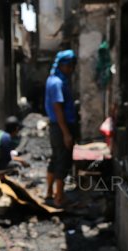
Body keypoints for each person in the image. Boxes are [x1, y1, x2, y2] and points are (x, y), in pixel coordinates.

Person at [44, 49, 78, 207]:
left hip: (56, 126)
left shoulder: (52, 79)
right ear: (63, 65)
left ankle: (50, 192)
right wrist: (66, 133)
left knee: (55, 158)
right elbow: (58, 107)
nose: (72, 70)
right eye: (70, 66)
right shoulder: (57, 83)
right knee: (62, 161)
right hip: (61, 126)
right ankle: (59, 197)